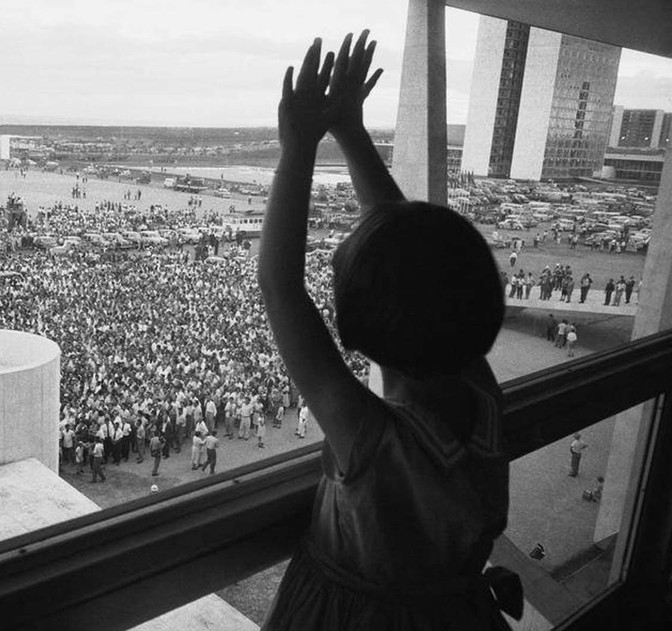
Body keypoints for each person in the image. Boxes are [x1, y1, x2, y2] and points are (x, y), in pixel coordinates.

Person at [257, 34, 520, 629]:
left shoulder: (372, 441)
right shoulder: (480, 399)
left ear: (359, 329)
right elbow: (423, 262)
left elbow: (280, 288)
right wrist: (350, 131)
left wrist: (297, 150)